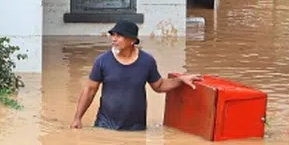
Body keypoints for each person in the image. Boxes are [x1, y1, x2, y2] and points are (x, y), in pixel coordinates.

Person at [71, 20, 201, 131]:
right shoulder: (102, 61)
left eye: (119, 36)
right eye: (113, 35)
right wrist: (77, 118)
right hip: (105, 126)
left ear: (132, 40)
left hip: (136, 128)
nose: (114, 39)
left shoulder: (146, 61)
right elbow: (89, 90)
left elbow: (159, 85)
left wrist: (180, 80)